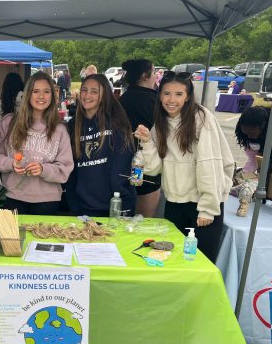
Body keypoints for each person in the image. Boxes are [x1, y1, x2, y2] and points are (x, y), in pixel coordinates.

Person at [134, 71, 234, 262]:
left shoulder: (201, 118)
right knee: (174, 260)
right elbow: (154, 168)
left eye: (179, 94)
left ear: (188, 96)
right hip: (174, 204)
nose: (172, 100)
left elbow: (209, 165)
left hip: (202, 206)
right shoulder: (161, 122)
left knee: (200, 263)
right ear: (159, 95)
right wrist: (147, 142)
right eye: (166, 93)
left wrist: (208, 208)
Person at [0, 72, 74, 215]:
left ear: (52, 95)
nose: (41, 96)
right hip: (14, 197)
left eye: (46, 91)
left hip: (48, 201)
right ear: (28, 94)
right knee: (13, 238)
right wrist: (11, 164)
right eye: (36, 91)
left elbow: (65, 169)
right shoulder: (9, 123)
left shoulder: (60, 129)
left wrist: (43, 169)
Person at [65, 73, 136, 217]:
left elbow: (122, 169)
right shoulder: (73, 126)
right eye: (84, 90)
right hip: (83, 208)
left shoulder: (117, 123)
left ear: (104, 95)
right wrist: (74, 204)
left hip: (116, 207)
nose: (87, 95)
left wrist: (122, 203)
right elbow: (70, 170)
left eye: (94, 91)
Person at [119, 59, 161, 217]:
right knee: (142, 222)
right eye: (154, 71)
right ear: (145, 75)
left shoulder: (123, 99)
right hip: (148, 166)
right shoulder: (155, 102)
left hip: (122, 166)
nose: (156, 75)